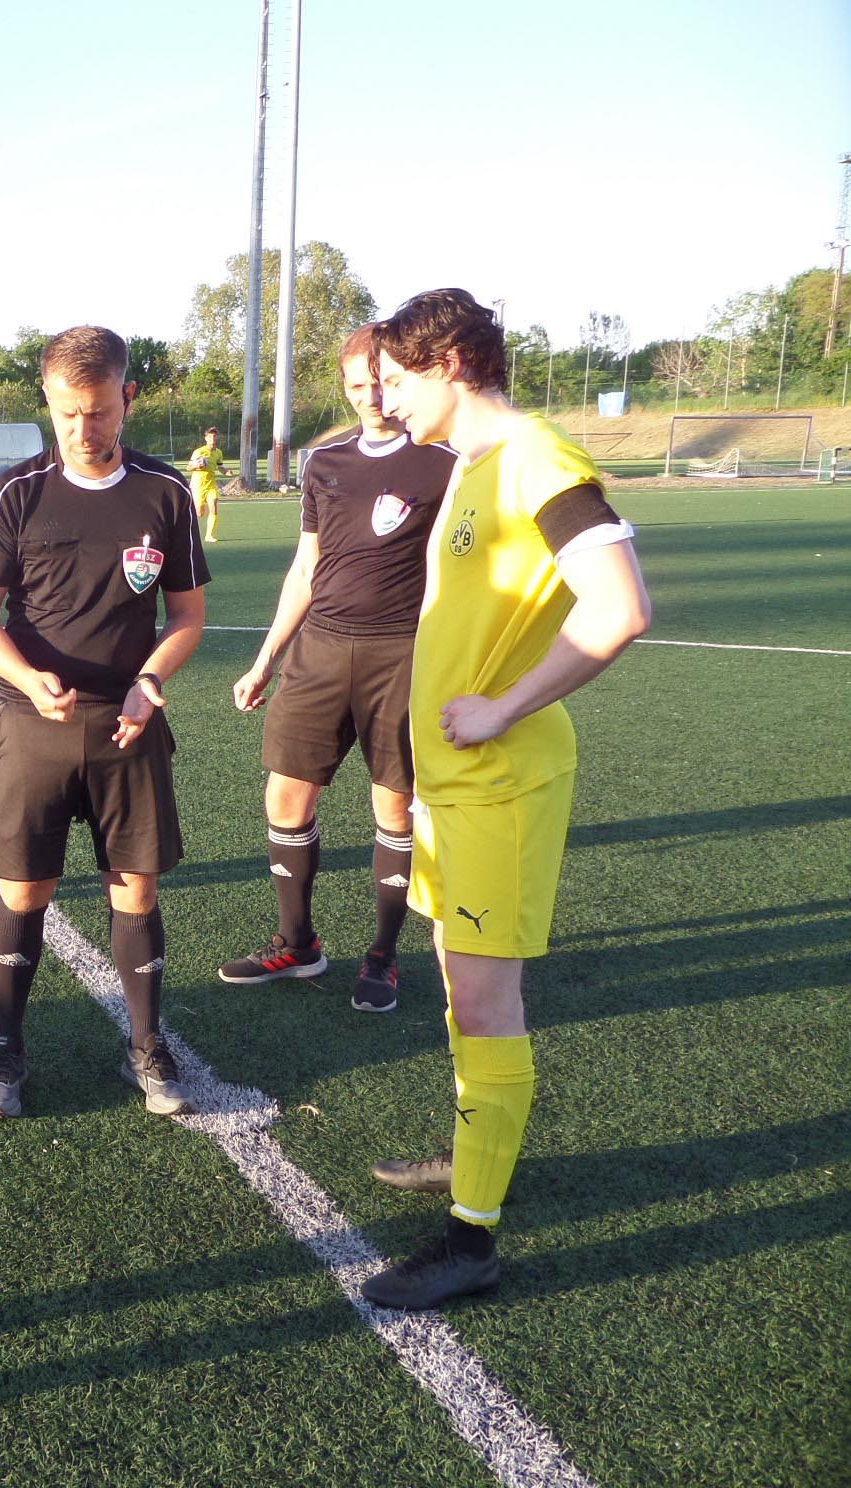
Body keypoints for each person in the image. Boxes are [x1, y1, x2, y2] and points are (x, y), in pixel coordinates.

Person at [358, 288, 650, 1310]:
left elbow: (620, 606)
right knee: (457, 987)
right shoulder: (473, 465)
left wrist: (502, 708)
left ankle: (469, 1240)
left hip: (501, 784)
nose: (386, 399)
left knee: (486, 1003)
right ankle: (473, 1148)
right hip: (454, 785)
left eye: (398, 379)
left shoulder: (536, 458)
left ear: (450, 364)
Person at [0, 325, 210, 1120]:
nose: (82, 428)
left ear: (127, 398)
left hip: (127, 726)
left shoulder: (165, 493)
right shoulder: (16, 493)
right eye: (67, 412)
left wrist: (149, 680)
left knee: (135, 890)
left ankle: (147, 1046)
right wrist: (26, 677)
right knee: (24, 889)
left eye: (98, 411)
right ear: (48, 400)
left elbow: (187, 617)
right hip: (31, 722)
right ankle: (6, 1048)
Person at [222, 323, 458, 1012]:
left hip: (401, 655)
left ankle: (383, 955)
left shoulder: (444, 462)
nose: (370, 397)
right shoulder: (324, 462)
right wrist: (265, 658)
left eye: (381, 383)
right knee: (285, 797)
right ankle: (298, 944)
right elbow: (307, 565)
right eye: (357, 386)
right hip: (320, 650)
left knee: (393, 804)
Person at [188, 426, 225, 542]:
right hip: (198, 485)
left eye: (214, 436)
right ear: (206, 438)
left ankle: (209, 535)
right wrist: (196, 466)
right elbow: (188, 468)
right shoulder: (199, 452)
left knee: (213, 505)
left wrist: (226, 472)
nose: (212, 438)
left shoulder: (218, 453)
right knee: (199, 513)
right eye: (210, 436)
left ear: (217, 438)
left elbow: (221, 467)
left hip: (211, 484)